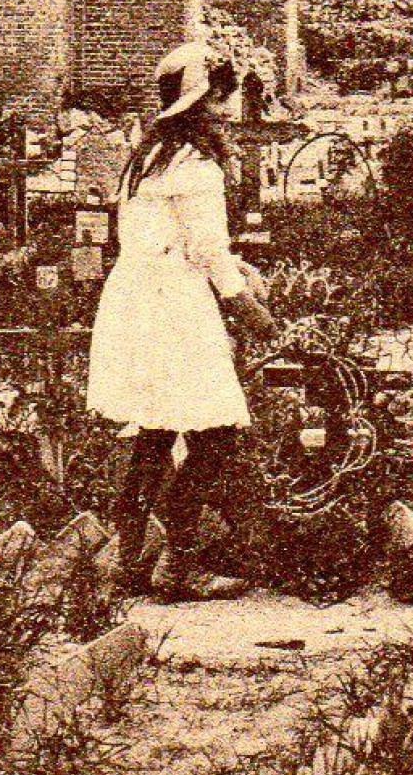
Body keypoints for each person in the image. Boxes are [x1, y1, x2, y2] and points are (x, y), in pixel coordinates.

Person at [86, 41, 275, 600]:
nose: (233, 106)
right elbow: (209, 251)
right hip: (173, 304)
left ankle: (128, 561)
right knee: (215, 432)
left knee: (155, 430)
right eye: (226, 95)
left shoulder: (149, 155)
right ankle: (177, 564)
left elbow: (160, 234)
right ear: (207, 100)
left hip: (135, 296)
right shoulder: (197, 164)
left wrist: (226, 265)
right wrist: (251, 309)